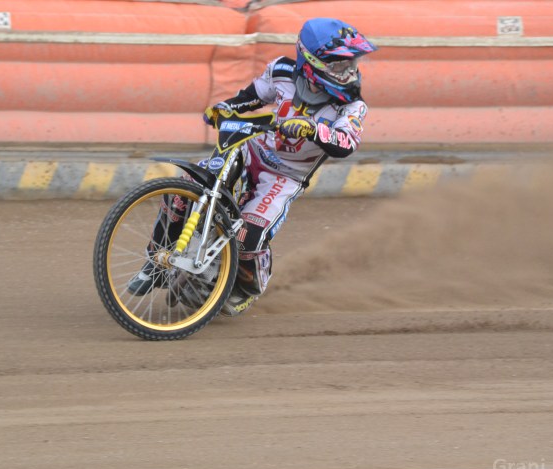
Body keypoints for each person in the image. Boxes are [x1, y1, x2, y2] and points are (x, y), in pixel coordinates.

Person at [129, 17, 378, 316]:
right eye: (340, 66)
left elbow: (346, 143)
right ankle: (156, 261)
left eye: (353, 65)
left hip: (286, 176)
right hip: (249, 150)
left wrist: (312, 130)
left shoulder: (352, 107)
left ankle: (247, 287)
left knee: (249, 233)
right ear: (311, 63)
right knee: (185, 186)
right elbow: (249, 98)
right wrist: (223, 108)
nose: (349, 74)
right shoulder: (281, 71)